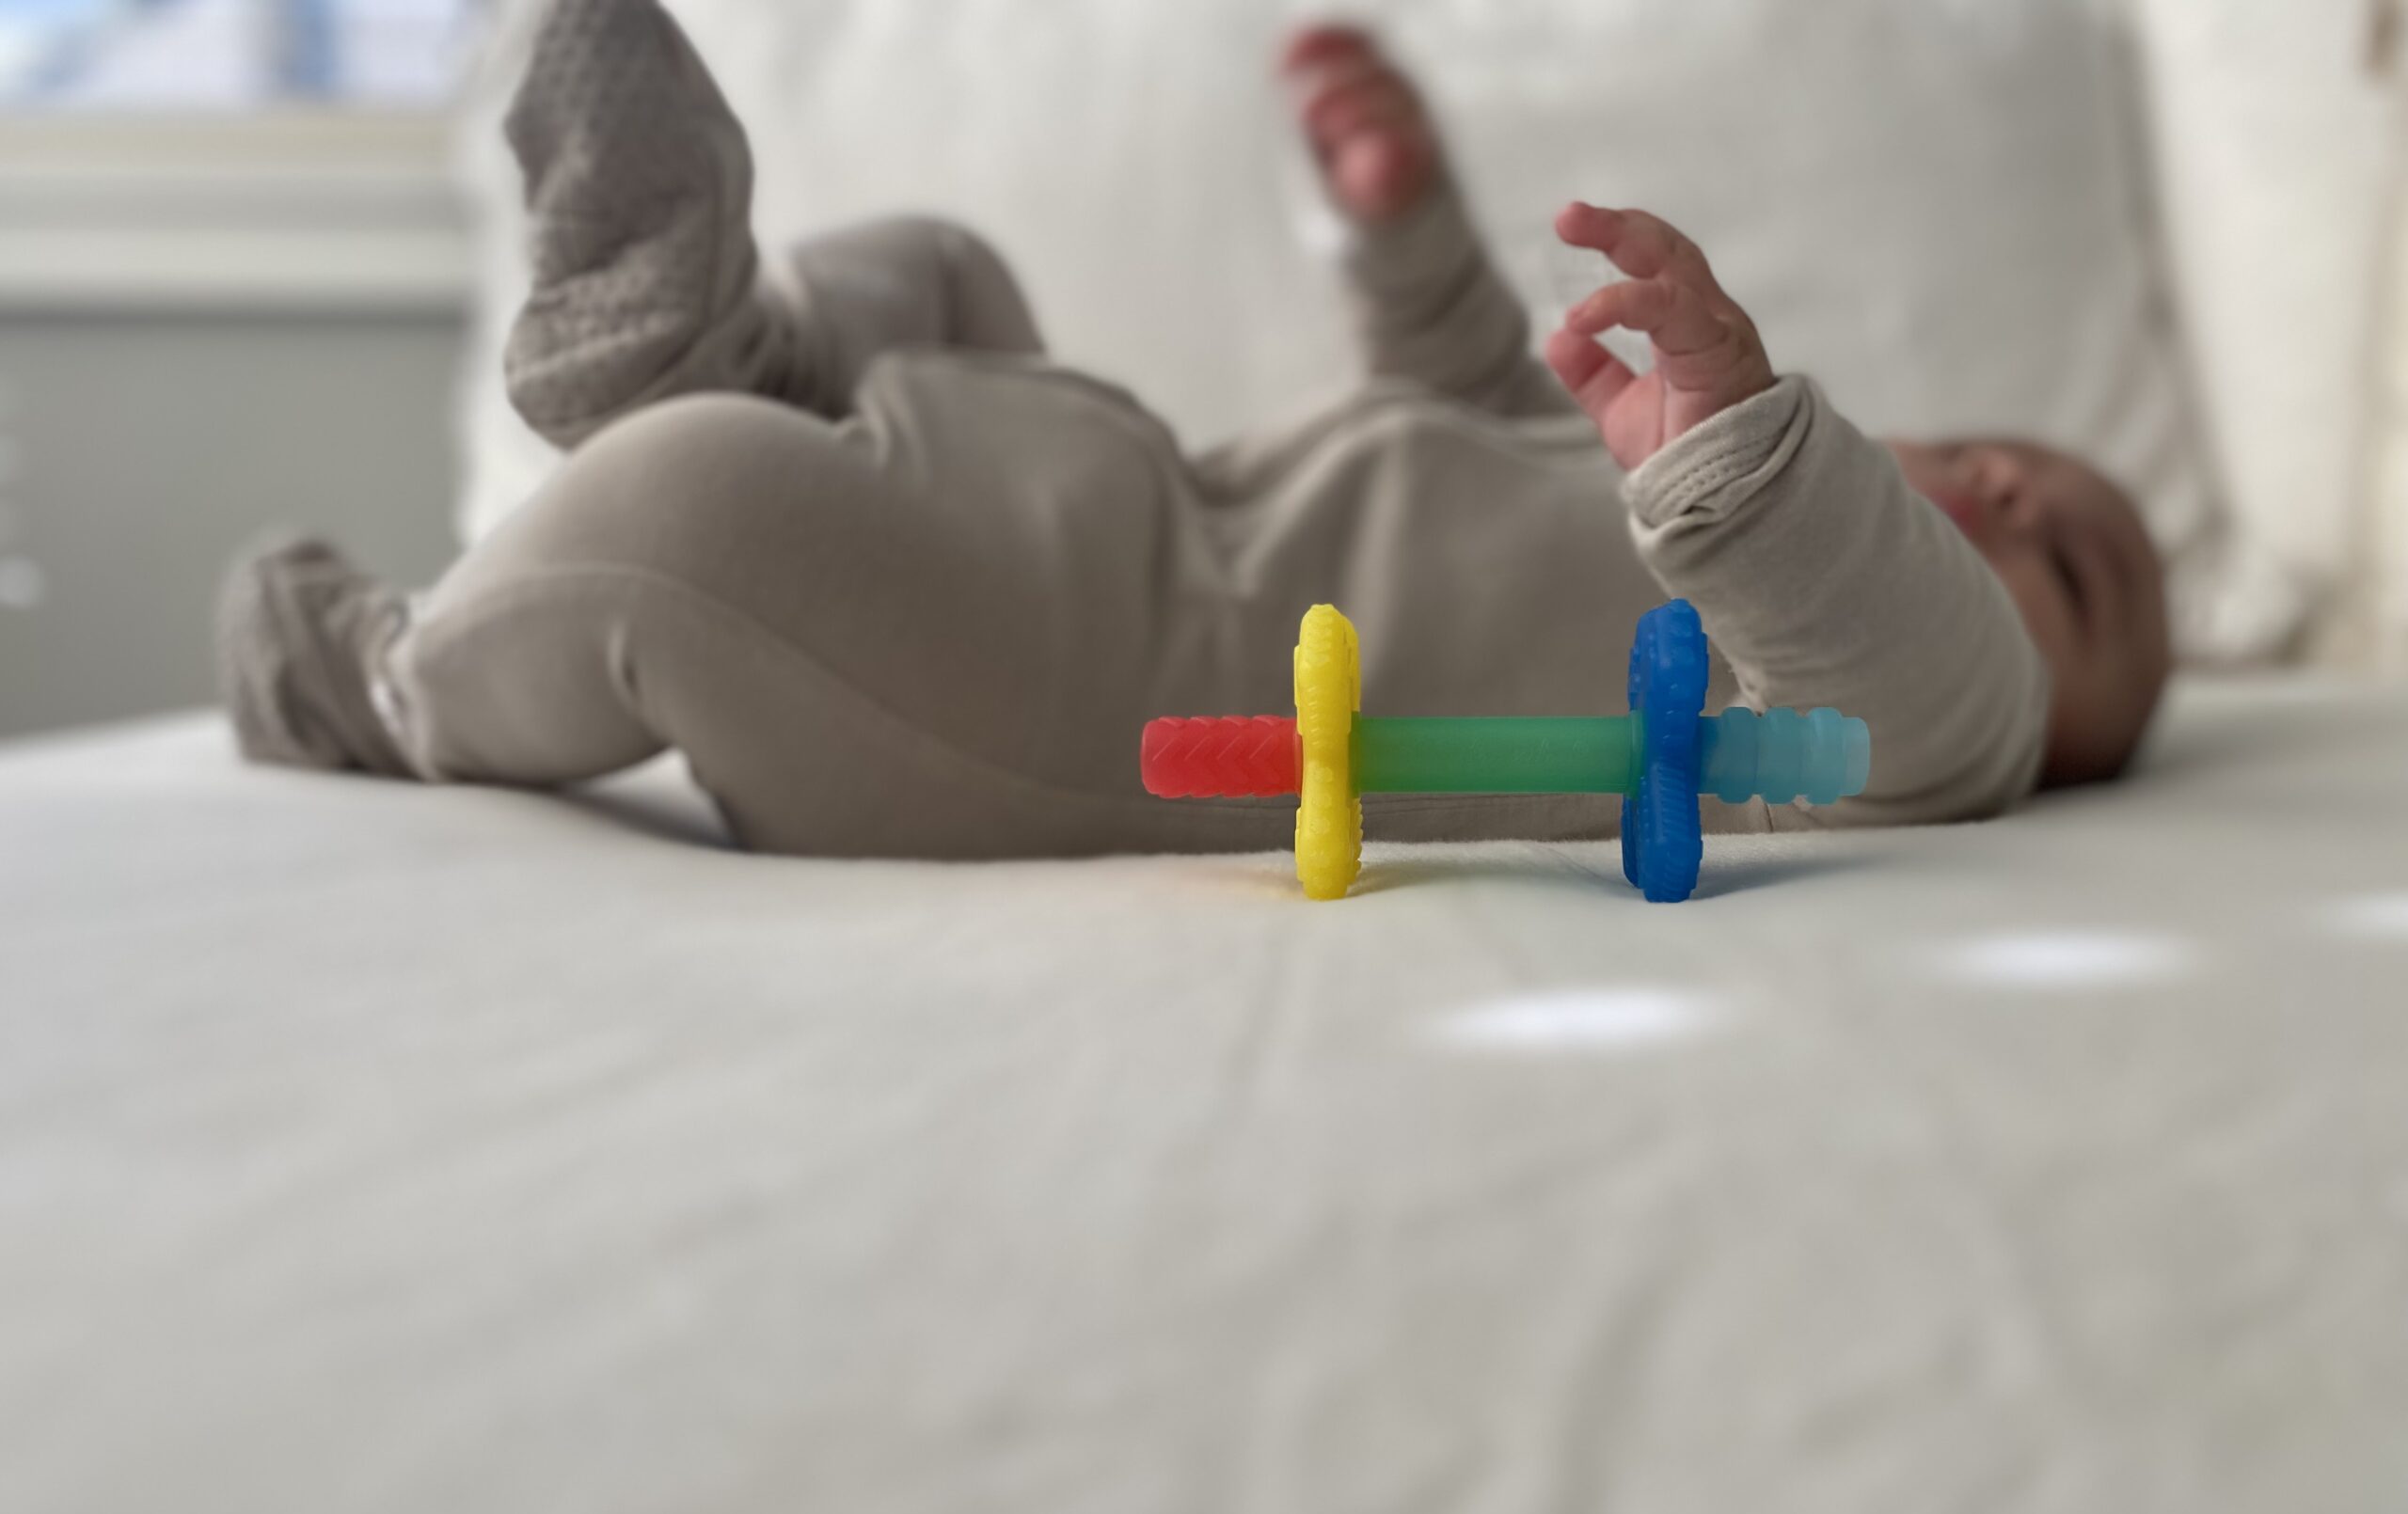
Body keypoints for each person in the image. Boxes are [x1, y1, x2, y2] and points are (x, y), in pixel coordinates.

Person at [218, 4, 2171, 861]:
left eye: (2064, 560)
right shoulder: (1653, 515)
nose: (2008, 491)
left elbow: (1903, 643)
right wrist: (1399, 217)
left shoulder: (1891, 743)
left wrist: (1761, 457)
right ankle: (696, 335)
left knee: (689, 519)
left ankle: (403, 682)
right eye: (2004, 454)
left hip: (1071, 698)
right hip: (1124, 499)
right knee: (943, 275)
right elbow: (1460, 410)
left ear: (2044, 735)